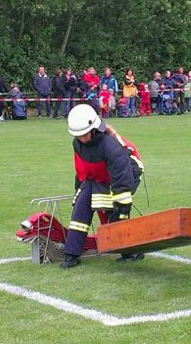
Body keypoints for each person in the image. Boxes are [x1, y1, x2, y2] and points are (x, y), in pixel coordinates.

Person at [60, 104, 144, 269]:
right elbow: (81, 169)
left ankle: (130, 252)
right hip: (98, 177)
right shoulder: (78, 143)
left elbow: (122, 178)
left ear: (94, 129)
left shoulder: (111, 146)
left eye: (84, 134)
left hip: (128, 174)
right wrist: (79, 190)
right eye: (78, 136)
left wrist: (122, 207)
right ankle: (72, 254)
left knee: (115, 214)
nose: (82, 138)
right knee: (81, 206)